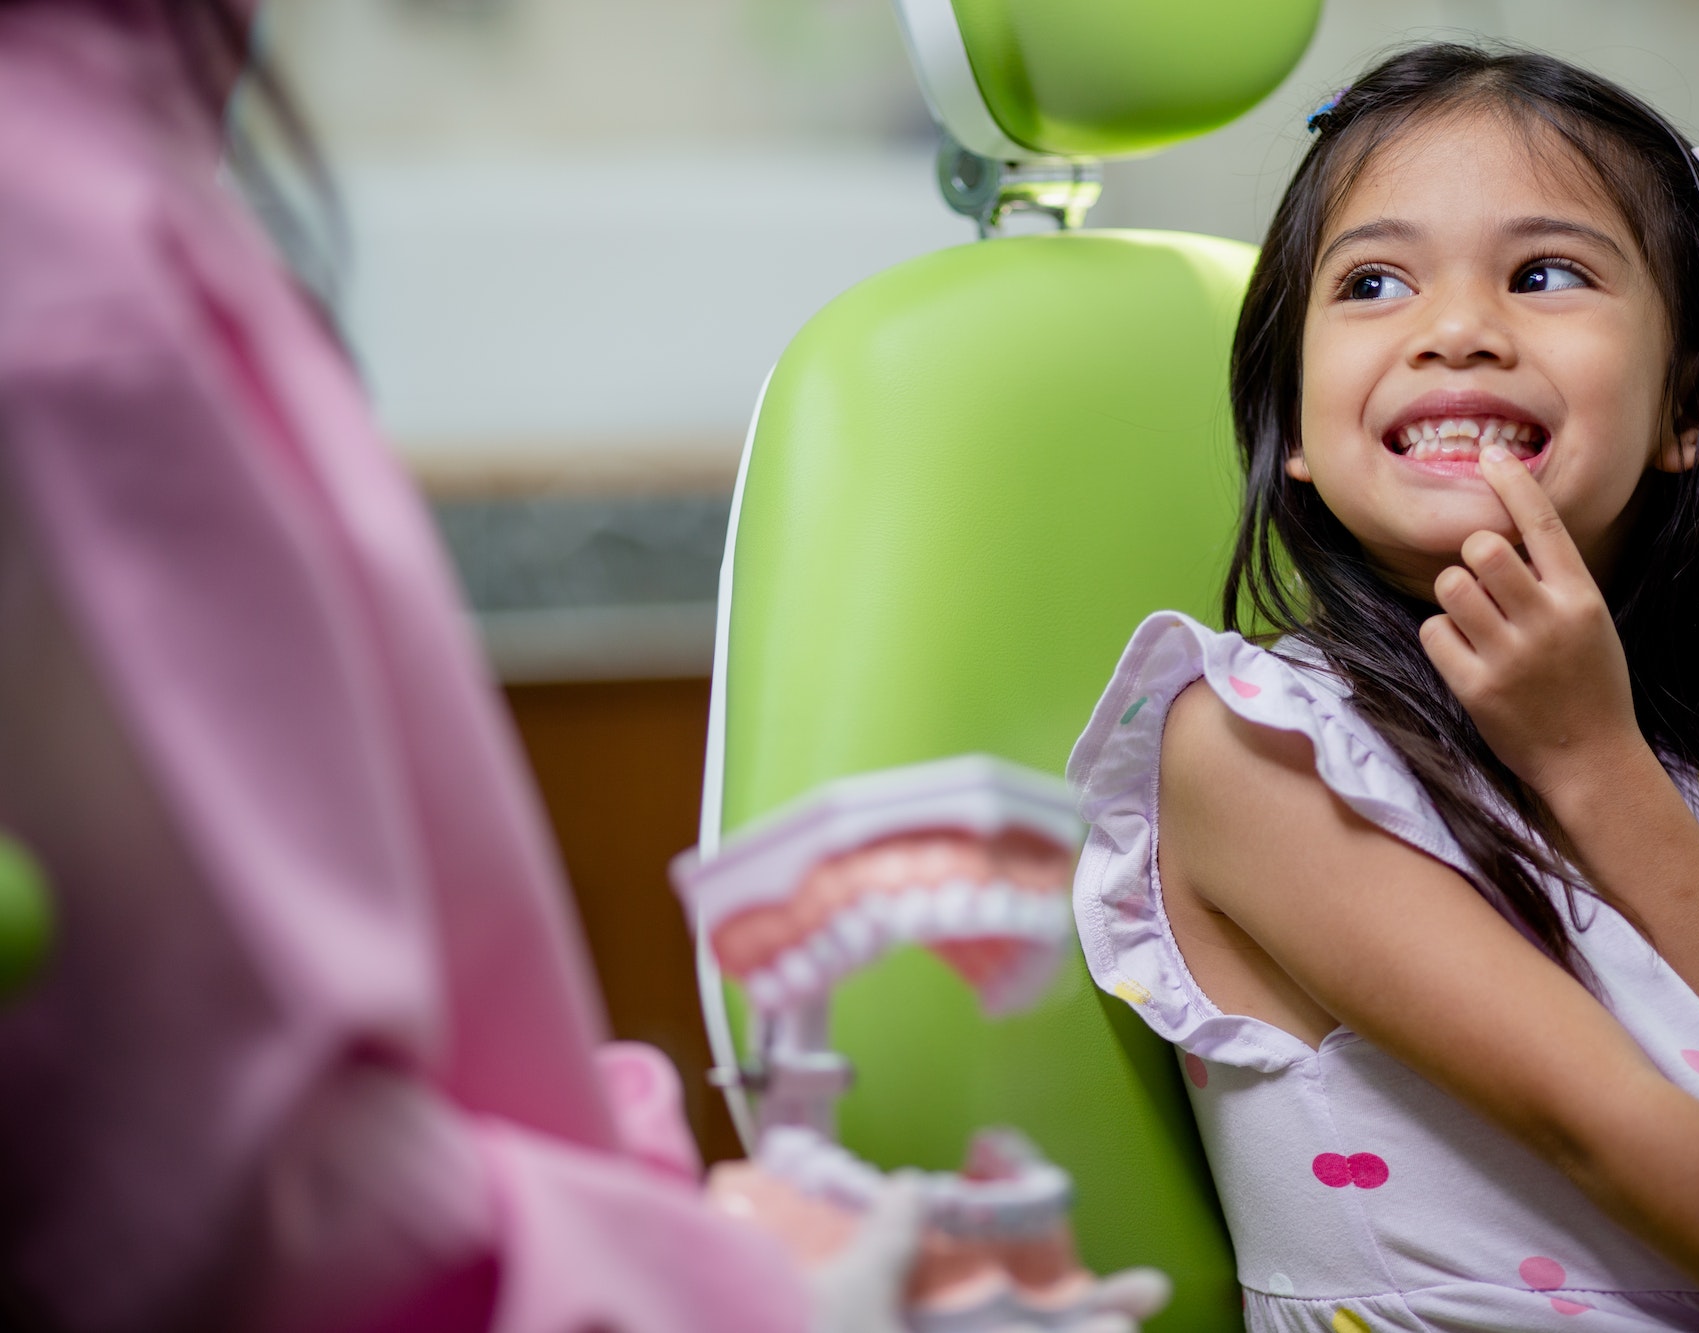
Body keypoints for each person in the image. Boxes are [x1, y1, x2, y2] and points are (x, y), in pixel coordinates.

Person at [0, 2, 972, 1330]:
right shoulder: (78, 292)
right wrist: (722, 1291)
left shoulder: (115, 206)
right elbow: (246, 1200)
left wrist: (654, 1226)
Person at [1067, 43, 1699, 1332]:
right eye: (1375, 281)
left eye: (1546, 273)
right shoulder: (1251, 746)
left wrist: (1597, 763)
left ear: (1687, 405)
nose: (1454, 330)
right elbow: (1597, 1125)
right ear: (1288, 424)